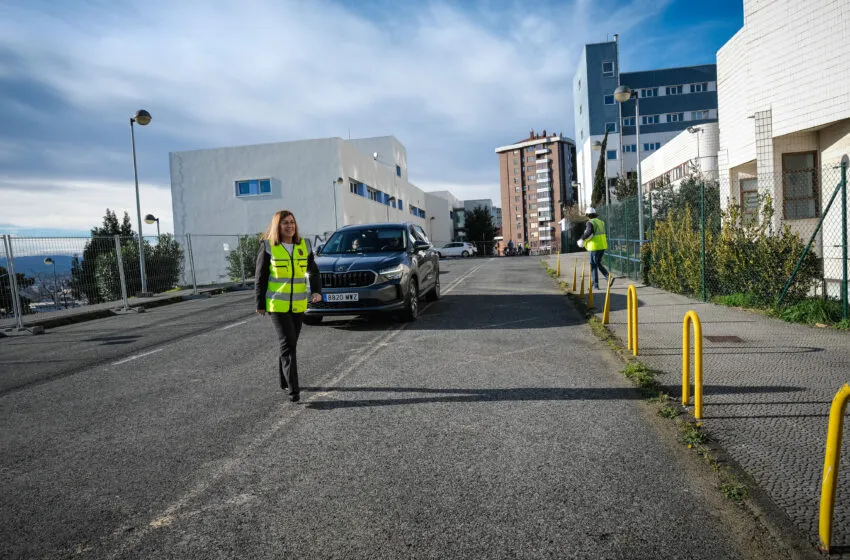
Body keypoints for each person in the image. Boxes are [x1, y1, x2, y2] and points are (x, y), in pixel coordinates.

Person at [255, 210, 322, 402]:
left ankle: (284, 381)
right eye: (285, 223)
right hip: (277, 304)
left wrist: (317, 291)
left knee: (288, 345)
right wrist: (259, 303)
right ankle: (294, 390)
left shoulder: (304, 245)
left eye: (292, 222)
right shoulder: (268, 247)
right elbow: (260, 277)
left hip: (298, 304)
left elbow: (314, 272)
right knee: (289, 344)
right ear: (278, 226)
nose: (289, 226)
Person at [578, 207, 613, 290]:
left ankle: (596, 285)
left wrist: (582, 238)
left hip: (594, 247)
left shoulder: (590, 222)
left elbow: (589, 232)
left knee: (593, 265)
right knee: (597, 263)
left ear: (587, 215)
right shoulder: (601, 222)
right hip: (602, 246)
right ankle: (607, 276)